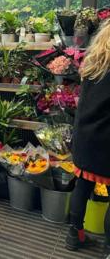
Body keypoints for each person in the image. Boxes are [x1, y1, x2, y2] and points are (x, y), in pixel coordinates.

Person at [66, 19, 110, 251]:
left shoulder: (92, 65)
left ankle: (75, 235)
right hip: (106, 140)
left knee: (82, 185)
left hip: (85, 135)